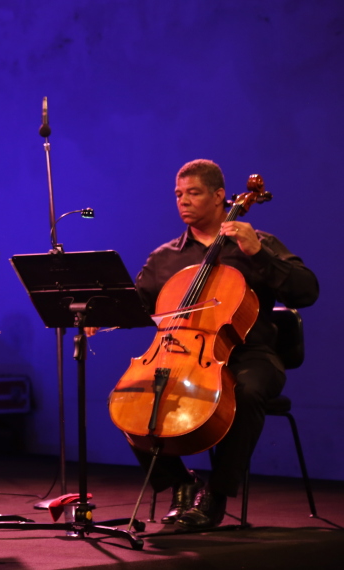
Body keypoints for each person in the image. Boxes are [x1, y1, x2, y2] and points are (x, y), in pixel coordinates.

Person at [119, 159, 319, 530]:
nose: (183, 201)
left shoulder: (255, 243)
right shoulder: (165, 258)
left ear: (219, 197)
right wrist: (103, 315)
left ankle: (217, 494)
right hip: (182, 356)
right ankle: (181, 485)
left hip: (251, 355)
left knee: (243, 393)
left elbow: (307, 290)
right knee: (131, 399)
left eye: (193, 193)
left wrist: (258, 252)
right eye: (179, 194)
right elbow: (136, 304)